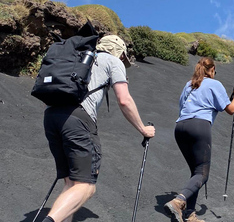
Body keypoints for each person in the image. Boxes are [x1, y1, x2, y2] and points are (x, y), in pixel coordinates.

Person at [41, 35, 155, 222]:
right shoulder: (112, 61)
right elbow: (124, 100)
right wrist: (143, 129)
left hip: (51, 115)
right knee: (86, 185)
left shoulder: (77, 57)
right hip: (78, 119)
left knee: (71, 182)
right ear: (119, 53)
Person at [164, 57, 234, 222]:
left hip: (180, 127)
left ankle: (189, 214)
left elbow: (182, 107)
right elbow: (231, 110)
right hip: (199, 127)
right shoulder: (215, 84)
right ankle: (178, 201)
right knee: (202, 174)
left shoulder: (189, 84)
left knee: (196, 171)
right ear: (212, 69)